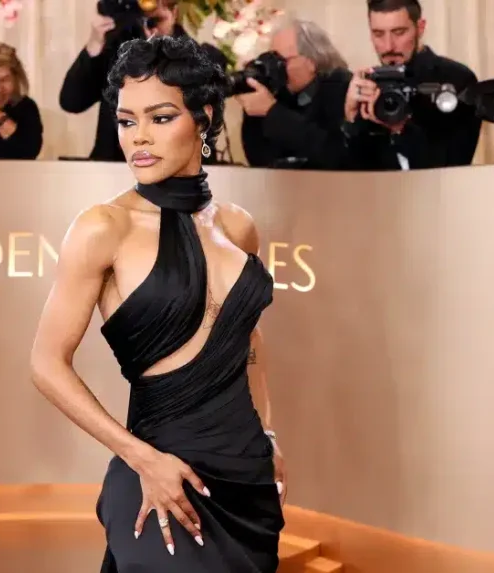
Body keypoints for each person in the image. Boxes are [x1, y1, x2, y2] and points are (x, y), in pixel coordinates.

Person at [30, 35, 285, 572]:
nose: (139, 138)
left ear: (203, 118)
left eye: (161, 118)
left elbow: (247, 341)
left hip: (244, 478)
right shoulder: (104, 227)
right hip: (156, 473)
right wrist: (141, 458)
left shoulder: (237, 227)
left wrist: (267, 434)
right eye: (127, 121)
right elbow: (46, 364)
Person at [58, 0, 226, 162]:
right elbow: (72, 101)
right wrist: (95, 43)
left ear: (174, 12)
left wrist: (167, 42)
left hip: (174, 168)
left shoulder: (200, 57)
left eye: (157, 18)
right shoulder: (118, 51)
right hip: (115, 164)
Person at [341, 0, 481, 170]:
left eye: (399, 33)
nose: (388, 46)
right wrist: (350, 118)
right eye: (378, 34)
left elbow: (451, 167)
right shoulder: (368, 86)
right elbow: (351, 173)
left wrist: (400, 130)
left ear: (420, 28)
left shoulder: (455, 79)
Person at [238, 18, 352, 170]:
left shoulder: (341, 87)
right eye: (272, 59)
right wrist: (254, 109)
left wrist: (272, 112)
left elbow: (334, 153)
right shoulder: (281, 92)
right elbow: (258, 160)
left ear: (312, 62)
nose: (276, 68)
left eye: (283, 61)